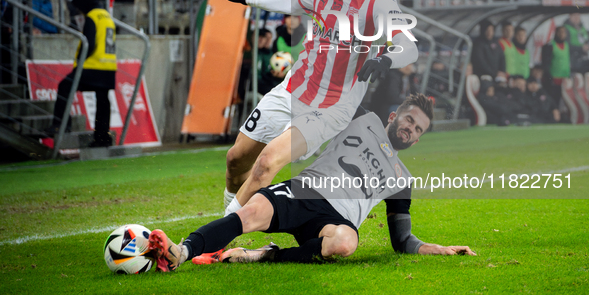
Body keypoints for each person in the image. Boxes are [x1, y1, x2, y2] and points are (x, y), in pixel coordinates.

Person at [215, 0, 419, 216]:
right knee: (236, 159)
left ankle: (216, 235)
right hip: (291, 89)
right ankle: (227, 221)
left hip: (329, 108)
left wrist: (386, 59)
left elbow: (409, 46)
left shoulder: (379, 3)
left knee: (267, 163)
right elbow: (294, 2)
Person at [147, 94, 476, 271]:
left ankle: (268, 256)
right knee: (248, 215)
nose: (410, 130)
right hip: (304, 191)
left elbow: (402, 240)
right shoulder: (363, 117)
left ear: (418, 140)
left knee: (345, 243)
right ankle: (181, 251)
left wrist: (441, 250)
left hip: (337, 220)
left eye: (418, 130)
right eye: (409, 120)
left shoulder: (403, 179)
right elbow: (337, 89)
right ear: (393, 117)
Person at [45, 0, 117, 147]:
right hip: (109, 67)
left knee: (65, 86)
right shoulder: (107, 16)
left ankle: (61, 124)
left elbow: (89, 43)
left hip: (93, 67)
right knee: (103, 101)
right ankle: (102, 137)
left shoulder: (92, 16)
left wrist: (79, 61)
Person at [541, 26, 570, 106]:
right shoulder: (550, 45)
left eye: (564, 32)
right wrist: (549, 78)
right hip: (553, 79)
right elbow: (545, 63)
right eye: (560, 32)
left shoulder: (566, 45)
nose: (562, 34)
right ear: (556, 33)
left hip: (564, 79)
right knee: (553, 101)